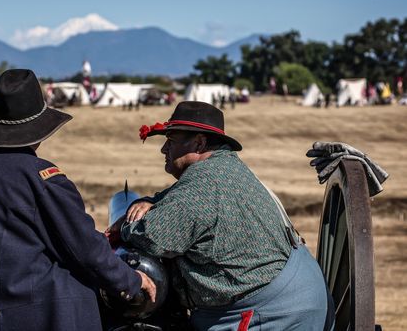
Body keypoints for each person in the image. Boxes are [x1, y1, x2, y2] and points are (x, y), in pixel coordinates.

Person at [0, 69, 155, 331]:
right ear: (38, 130)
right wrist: (130, 281)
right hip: (41, 320)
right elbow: (84, 248)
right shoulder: (43, 180)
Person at [112, 101, 334, 330]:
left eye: (171, 141)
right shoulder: (221, 168)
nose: (163, 149)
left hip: (273, 314)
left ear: (199, 143)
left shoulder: (203, 185)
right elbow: (179, 196)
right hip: (302, 294)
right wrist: (152, 201)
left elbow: (153, 237)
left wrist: (128, 224)